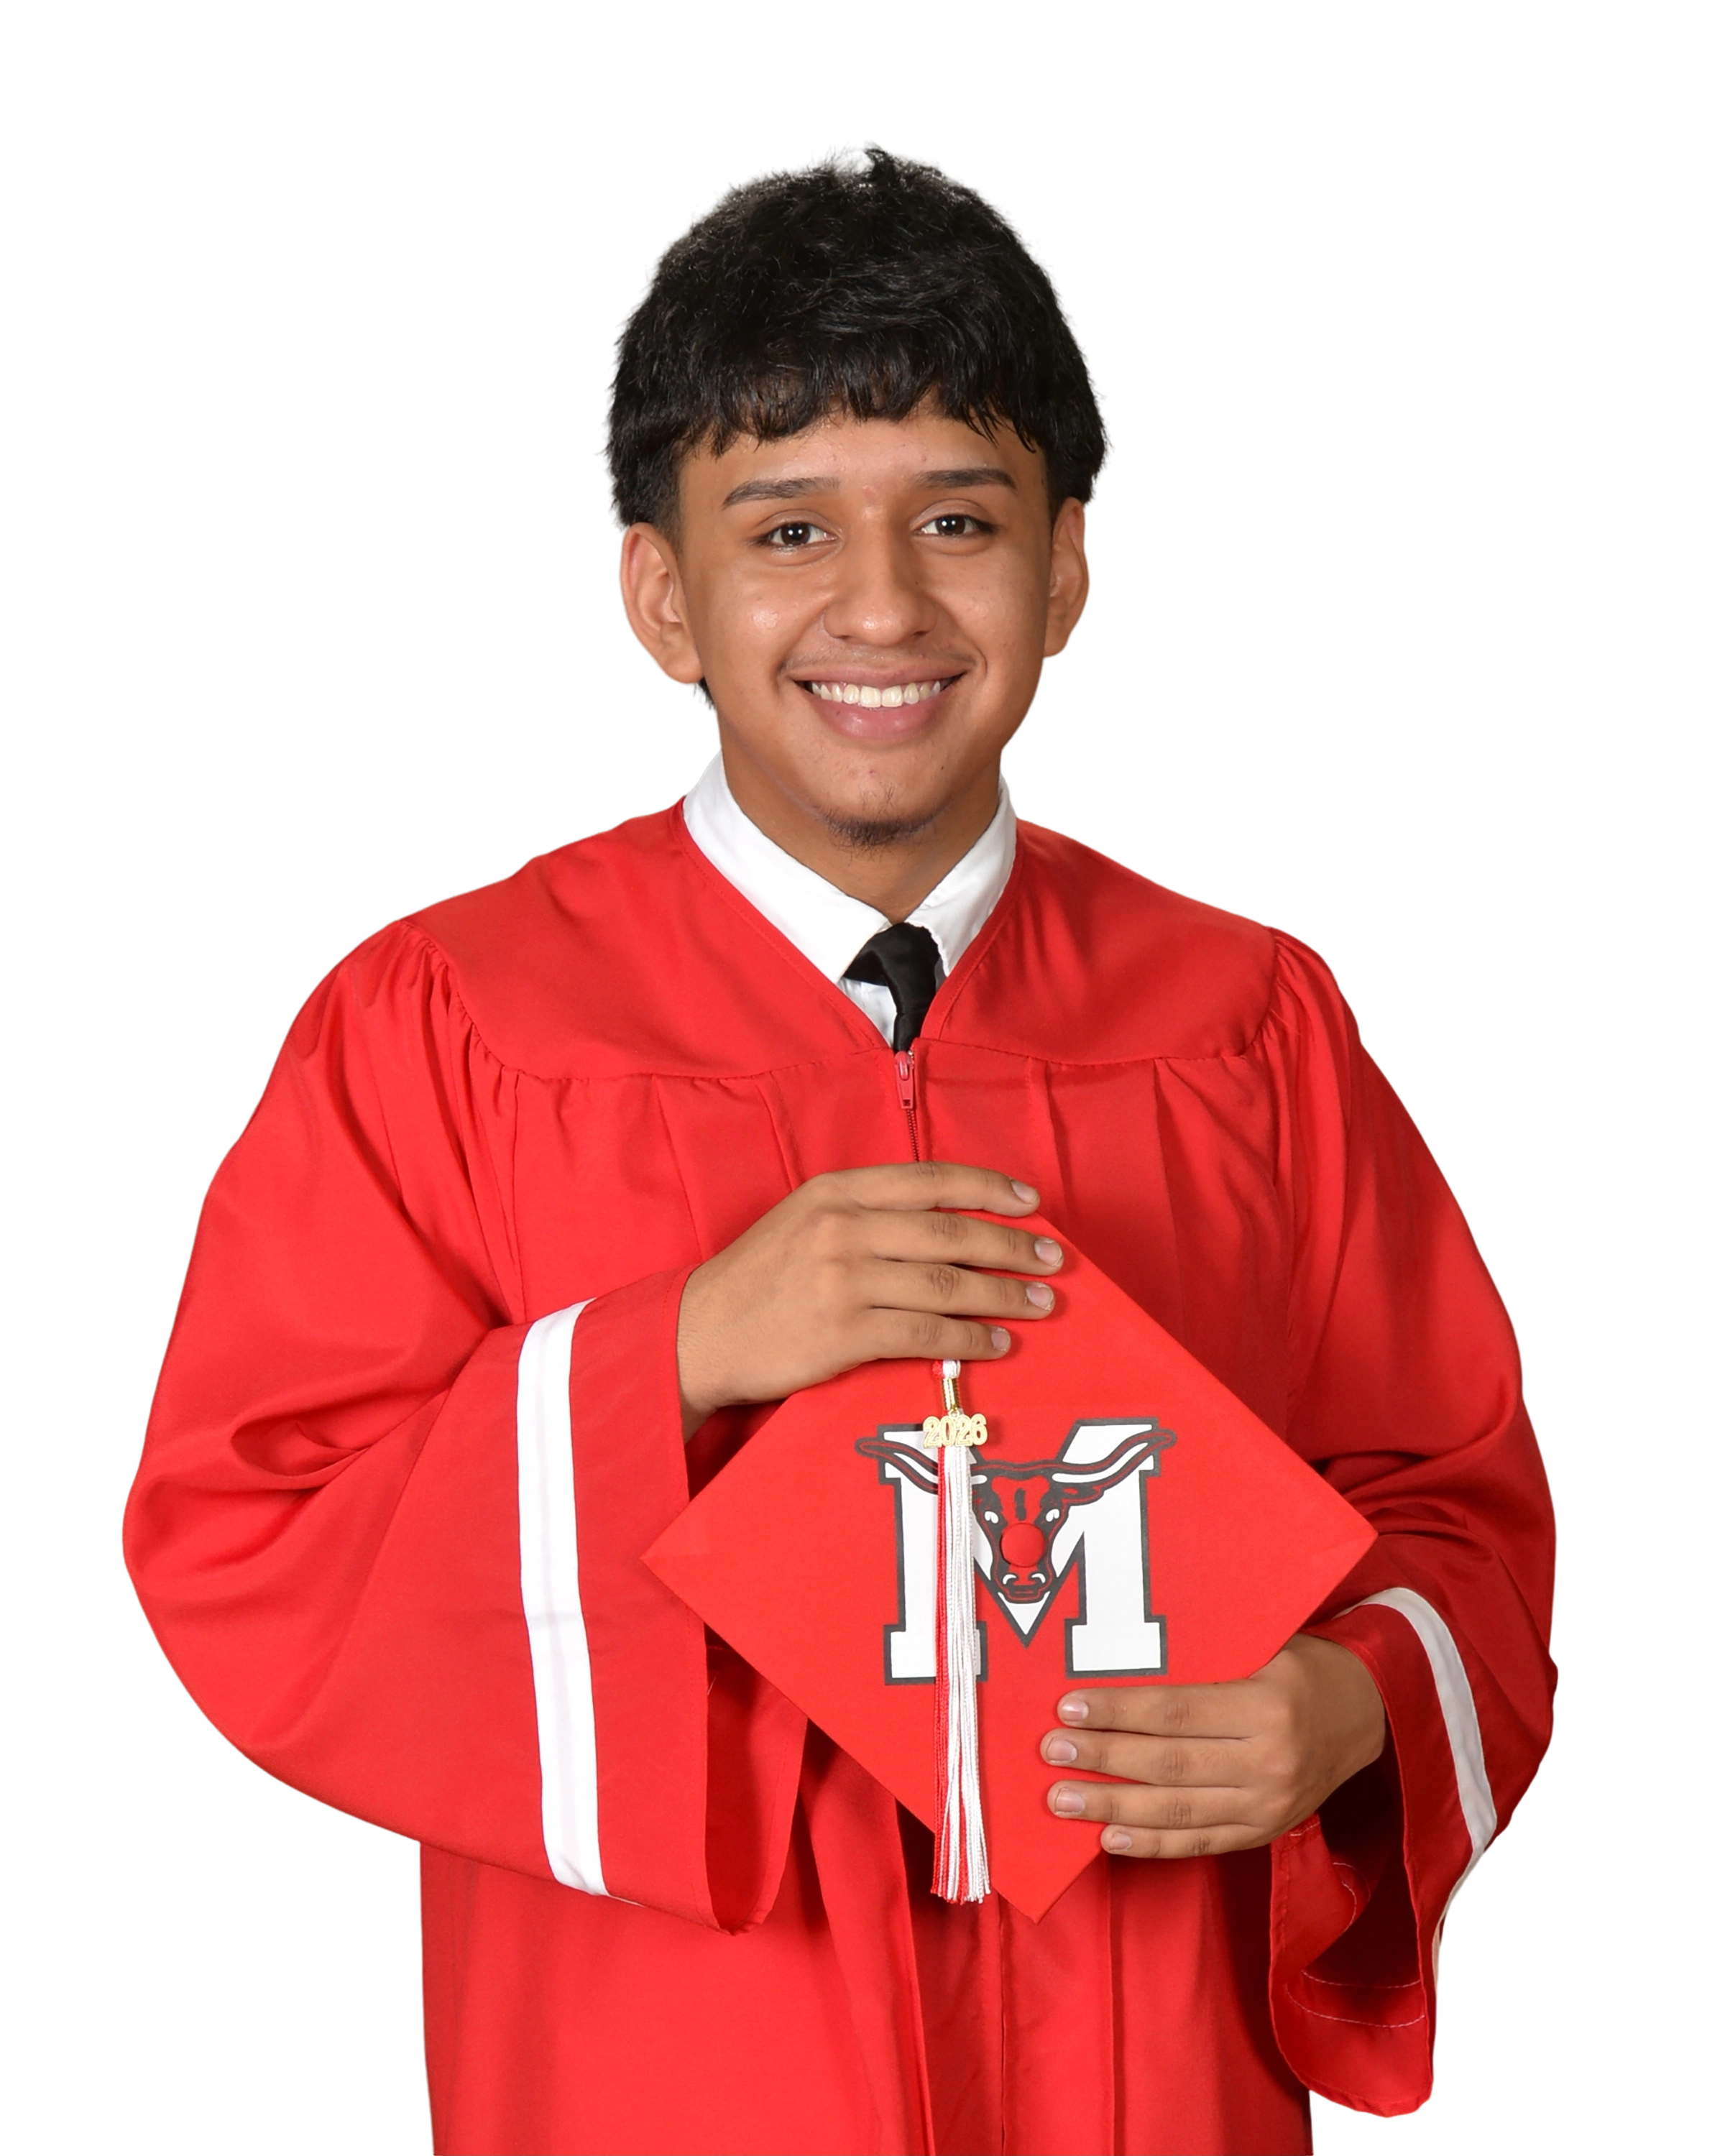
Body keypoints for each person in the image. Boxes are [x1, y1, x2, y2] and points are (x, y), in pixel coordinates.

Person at [122, 139, 1558, 2156]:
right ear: (663, 596)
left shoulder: (1247, 1026)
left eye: (959, 520)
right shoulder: (451, 1023)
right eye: (788, 528)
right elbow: (253, 1535)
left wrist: (1346, 1711)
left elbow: (1459, 1516)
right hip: (664, 2082)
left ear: (1067, 573)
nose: (881, 603)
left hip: (1145, 2069)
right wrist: (675, 1352)